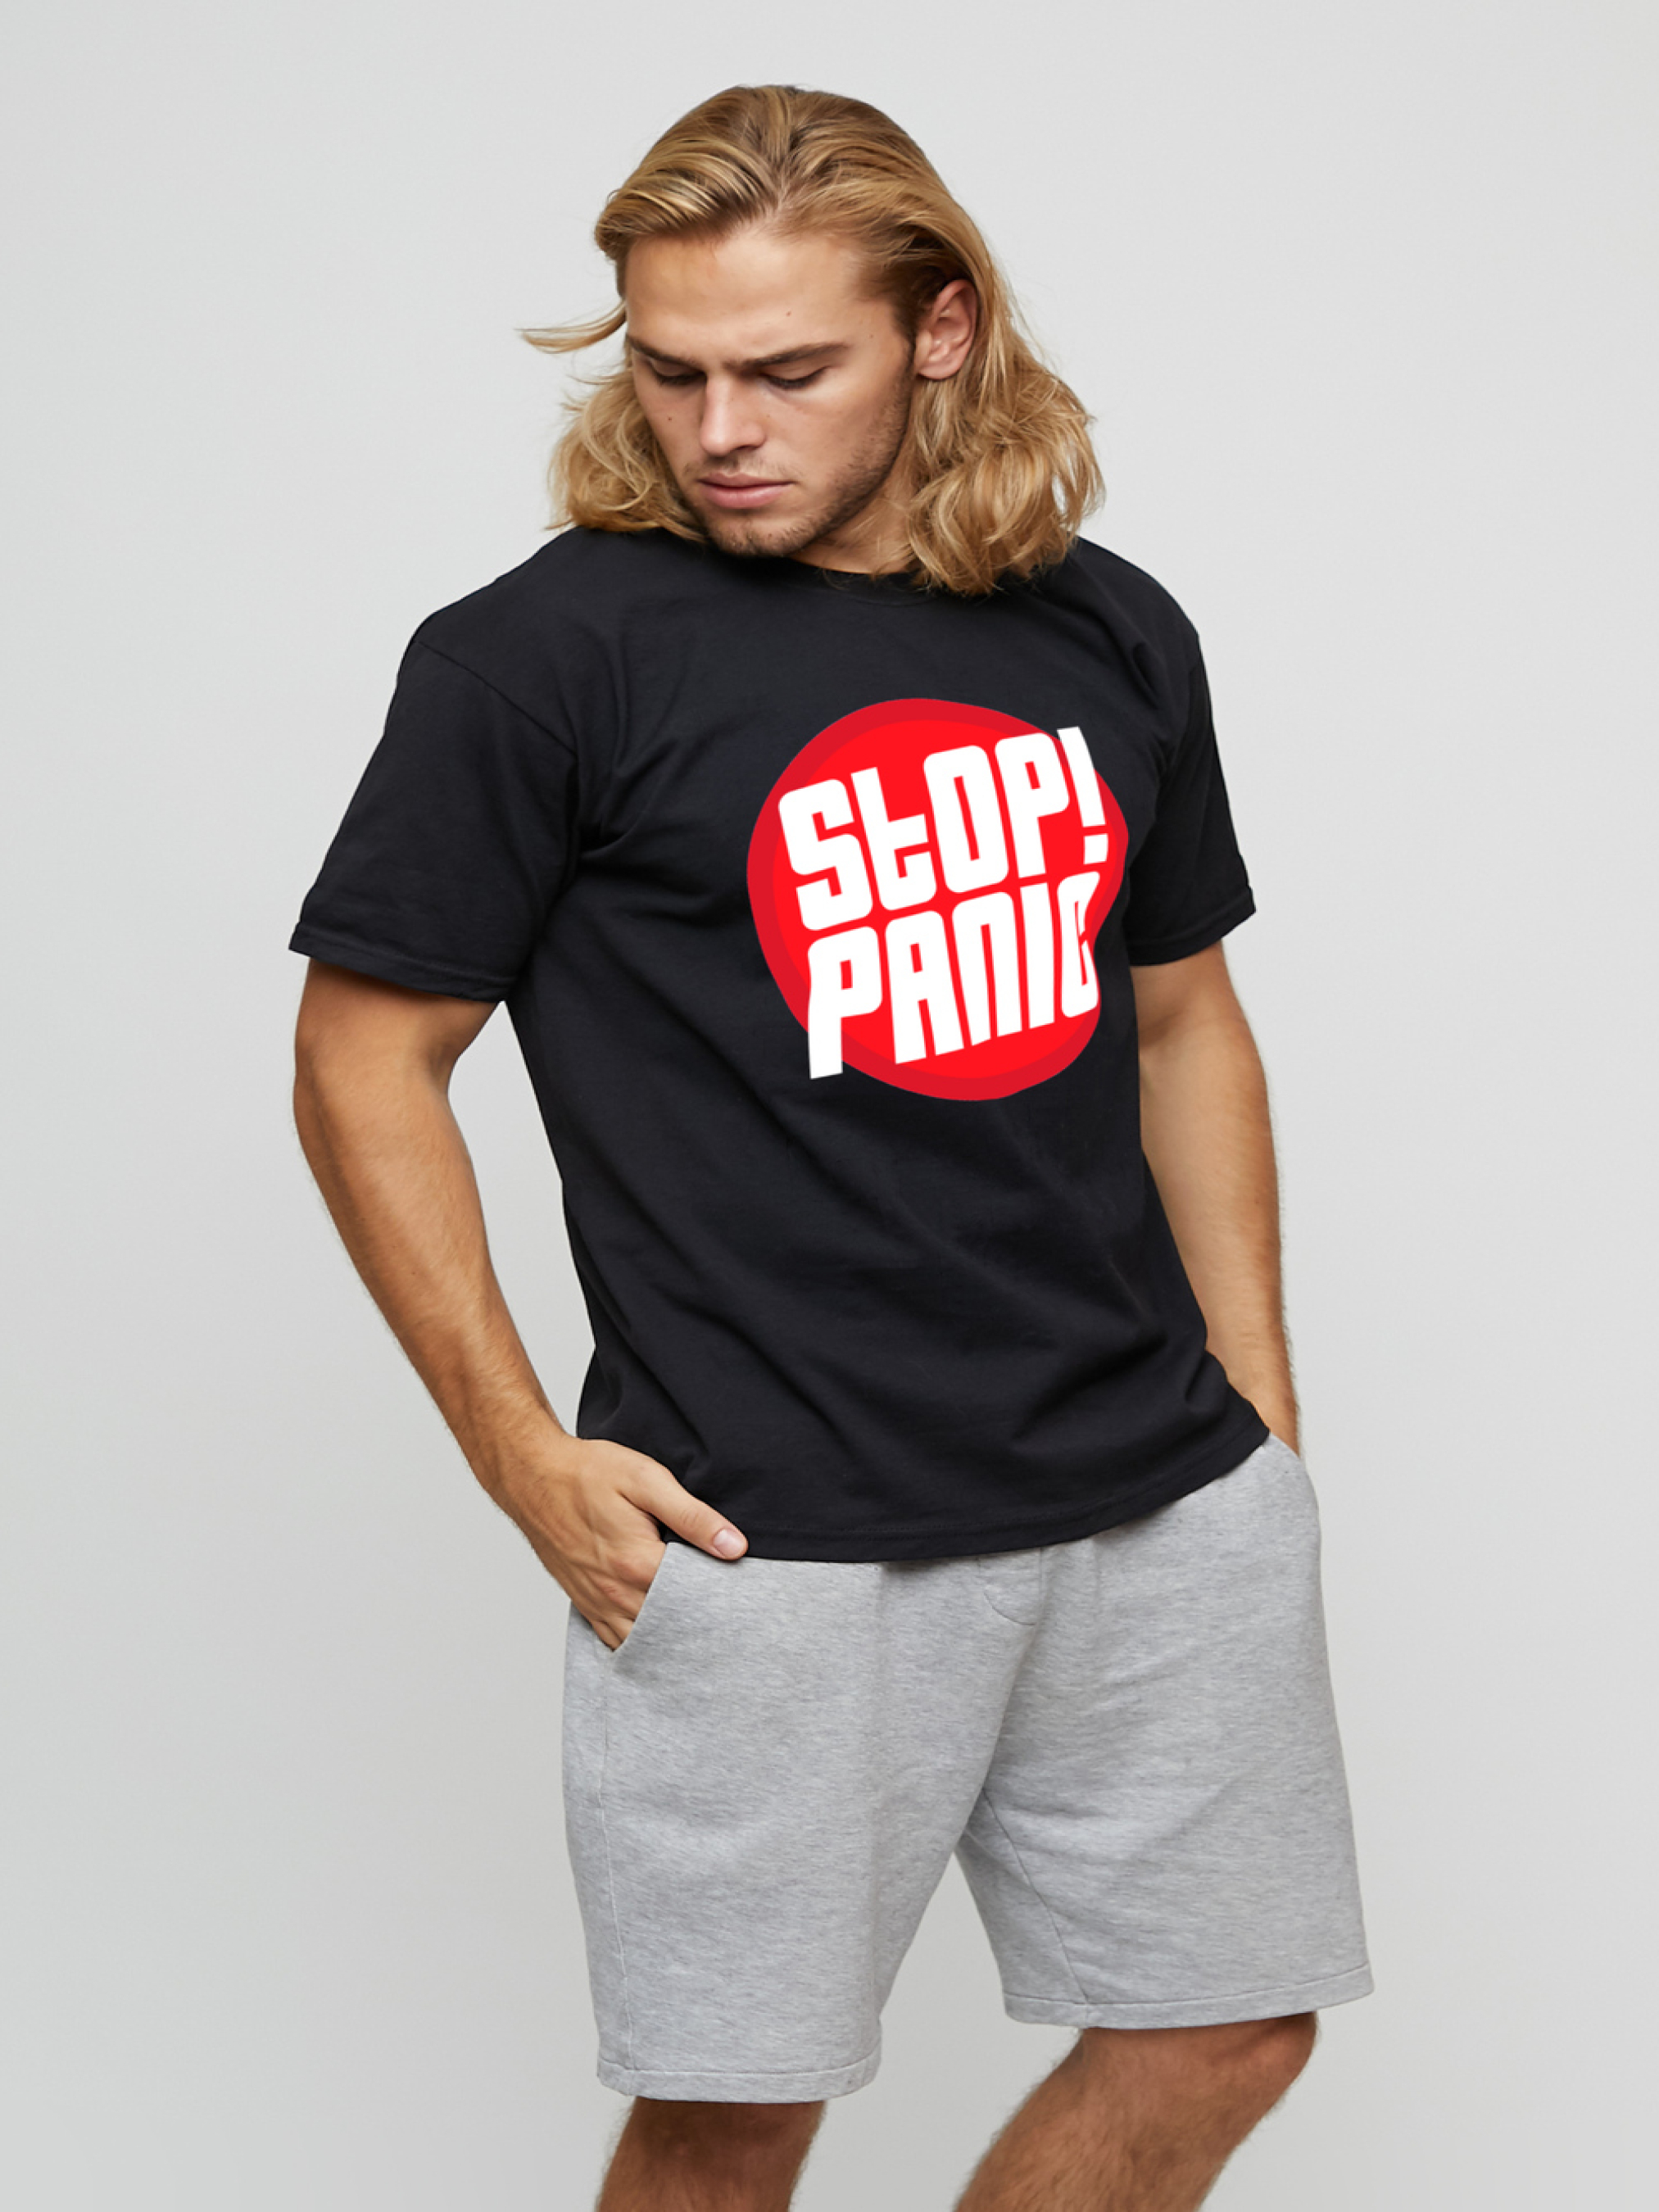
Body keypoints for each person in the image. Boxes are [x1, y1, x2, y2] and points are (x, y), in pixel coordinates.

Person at [289, 81, 1371, 2212]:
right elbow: (362, 1059)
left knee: (1227, 2028)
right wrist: (519, 1451)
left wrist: (1257, 1408)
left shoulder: (1105, 627)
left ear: (939, 330)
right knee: (733, 2116)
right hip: (765, 1532)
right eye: (671, 371)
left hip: (1152, 1494)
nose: (720, 430)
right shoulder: (541, 660)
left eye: (788, 372)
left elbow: (1181, 1017)